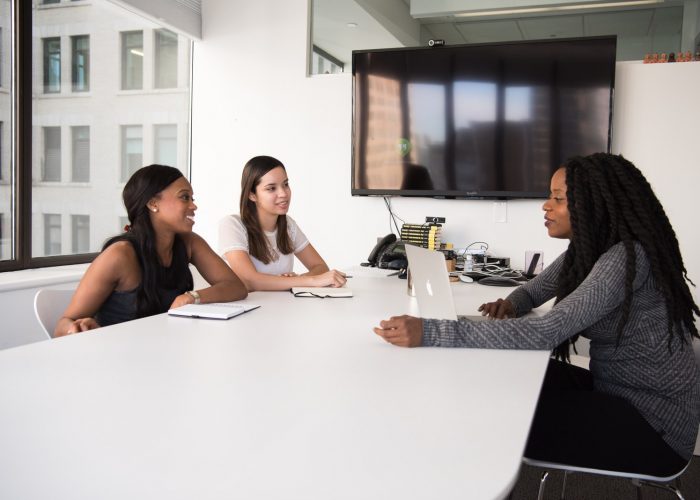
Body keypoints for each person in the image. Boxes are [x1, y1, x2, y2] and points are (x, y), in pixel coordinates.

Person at [374, 153, 700, 475]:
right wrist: (513, 304)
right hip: (615, 391)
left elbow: (546, 331)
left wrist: (431, 331)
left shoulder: (624, 258)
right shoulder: (588, 253)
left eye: (558, 198)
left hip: (652, 427)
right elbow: (533, 290)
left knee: (494, 416)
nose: (546, 205)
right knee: (503, 378)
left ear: (594, 204)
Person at [55, 165, 247, 337]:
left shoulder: (190, 243)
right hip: (119, 359)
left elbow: (235, 287)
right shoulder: (119, 255)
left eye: (192, 198)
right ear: (153, 203)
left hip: (163, 352)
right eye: (184, 197)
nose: (193, 205)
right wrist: (77, 329)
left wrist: (191, 297)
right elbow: (62, 327)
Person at [219, 155, 346, 291]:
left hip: (283, 308)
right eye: (271, 188)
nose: (283, 193)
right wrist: (304, 281)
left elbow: (320, 267)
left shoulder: (288, 225)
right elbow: (250, 280)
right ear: (252, 194)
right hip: (252, 309)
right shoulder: (232, 225)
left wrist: (295, 281)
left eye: (285, 184)